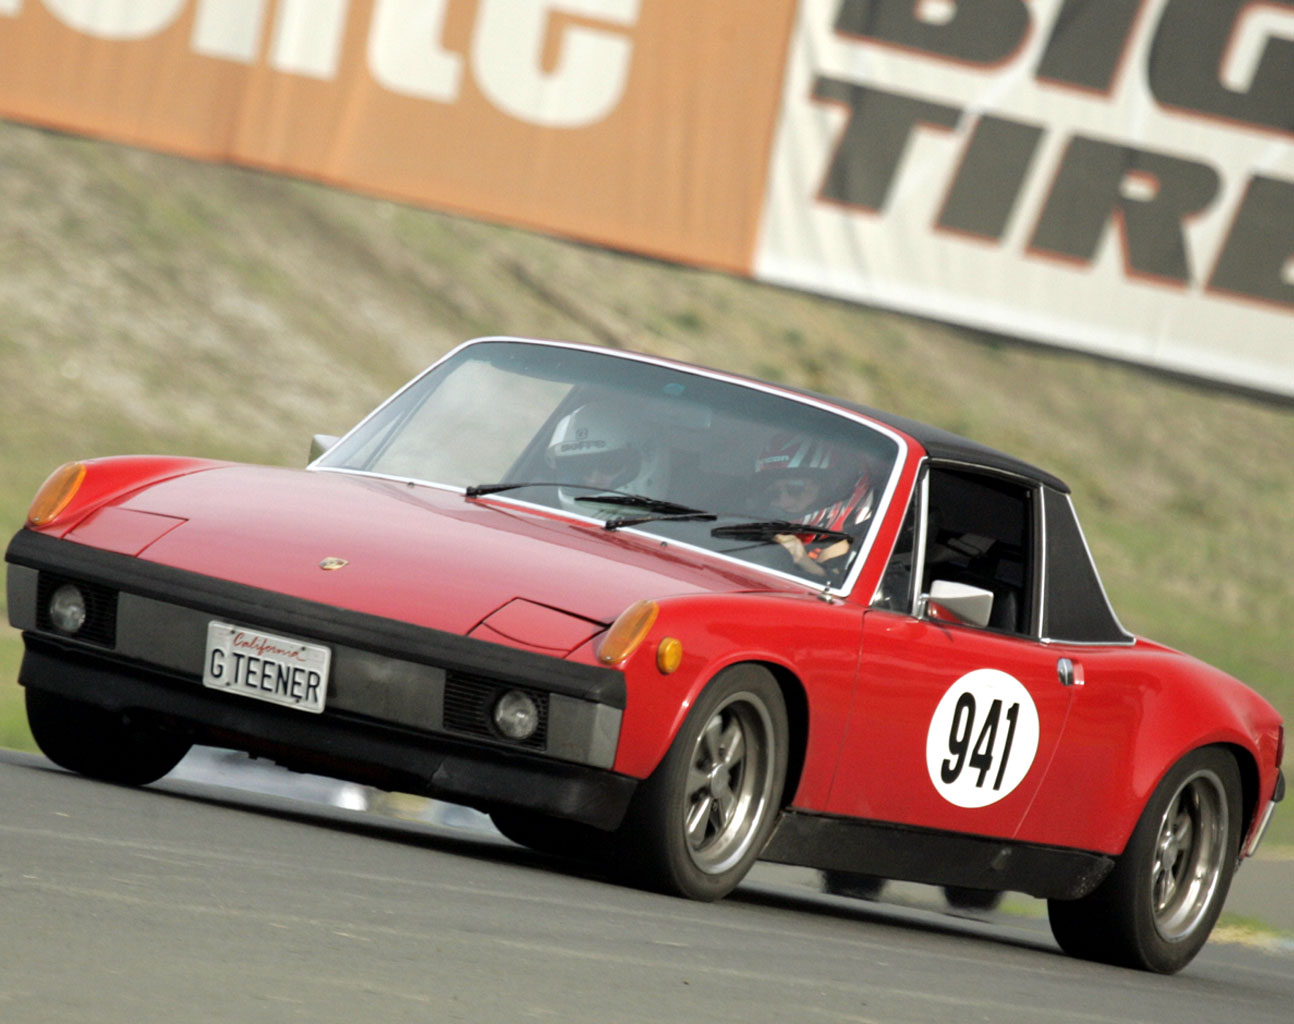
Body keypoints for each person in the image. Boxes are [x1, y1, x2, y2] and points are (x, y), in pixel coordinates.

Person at [752, 433, 875, 577]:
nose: (785, 501)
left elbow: (834, 587)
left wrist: (803, 562)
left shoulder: (858, 552)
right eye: (773, 493)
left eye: (795, 489)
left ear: (832, 489)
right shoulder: (756, 529)